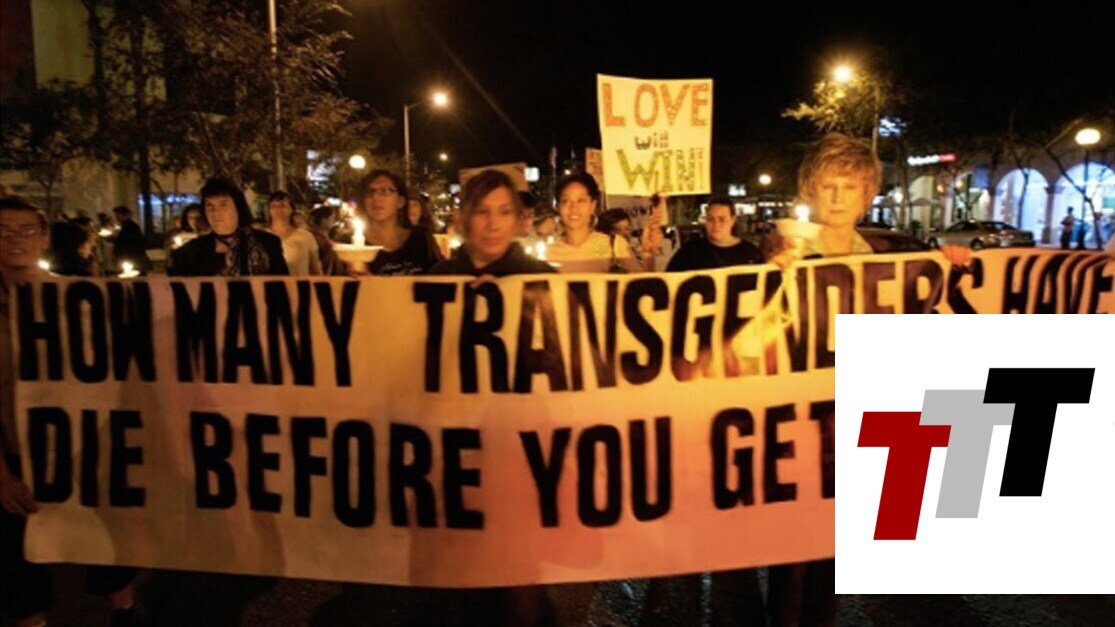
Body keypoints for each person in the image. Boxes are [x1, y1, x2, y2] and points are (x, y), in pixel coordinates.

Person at [0, 196, 144, 627]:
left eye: (26, 229)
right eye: (4, 230)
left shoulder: (75, 297)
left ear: (44, 238)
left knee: (106, 542)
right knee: (19, 564)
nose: (15, 239)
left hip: (82, 447)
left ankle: (125, 611)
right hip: (14, 454)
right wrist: (2, 475)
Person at [427, 169, 554, 277]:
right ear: (463, 217)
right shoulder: (438, 280)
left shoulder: (543, 280)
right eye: (482, 212)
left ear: (516, 219)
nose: (493, 225)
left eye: (505, 212)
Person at [168, 178, 289, 277]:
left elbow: (283, 290)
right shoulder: (189, 253)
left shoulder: (268, 244)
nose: (216, 213)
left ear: (238, 207)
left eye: (223, 205)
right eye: (210, 206)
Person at [546, 173, 657, 273]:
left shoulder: (614, 246)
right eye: (566, 201)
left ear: (592, 205)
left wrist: (648, 253)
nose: (573, 208)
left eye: (581, 201)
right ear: (558, 207)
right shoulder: (548, 253)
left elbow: (643, 283)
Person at [353, 169, 443, 275]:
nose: (375, 197)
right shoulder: (351, 246)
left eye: (385, 191)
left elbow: (441, 277)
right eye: (369, 192)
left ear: (401, 201)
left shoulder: (421, 238)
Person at [666, 196, 763, 271]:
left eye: (722, 219)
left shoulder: (750, 253)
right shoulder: (690, 251)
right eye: (710, 219)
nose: (716, 224)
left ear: (733, 220)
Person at [266, 191, 321, 276]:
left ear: (291, 209)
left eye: (282, 206)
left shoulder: (306, 237)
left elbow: (315, 270)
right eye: (274, 206)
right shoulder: (263, 237)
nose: (278, 209)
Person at [110, 205, 152, 275]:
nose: (117, 218)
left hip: (131, 257)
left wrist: (114, 240)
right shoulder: (125, 226)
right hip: (129, 257)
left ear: (125, 215)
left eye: (118, 215)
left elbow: (126, 241)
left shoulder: (130, 227)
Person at [308, 205, 344, 276]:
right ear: (324, 220)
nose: (334, 221)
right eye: (332, 218)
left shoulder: (324, 237)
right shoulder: (316, 238)